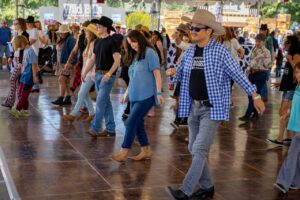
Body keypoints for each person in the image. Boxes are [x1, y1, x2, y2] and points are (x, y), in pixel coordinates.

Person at [165, 9, 265, 200]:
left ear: (209, 31)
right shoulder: (190, 51)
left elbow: (238, 74)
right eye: (191, 27)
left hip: (212, 108)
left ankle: (185, 191)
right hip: (193, 107)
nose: (192, 31)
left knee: (199, 149)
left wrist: (255, 95)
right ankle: (207, 186)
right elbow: (179, 72)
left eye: (196, 28)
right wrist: (172, 72)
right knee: (193, 149)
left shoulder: (220, 52)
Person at [112, 30, 164, 162]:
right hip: (135, 96)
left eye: (134, 42)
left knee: (130, 123)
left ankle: (124, 151)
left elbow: (157, 74)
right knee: (138, 123)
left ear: (140, 39)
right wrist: (126, 93)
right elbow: (133, 78)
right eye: (130, 43)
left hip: (147, 96)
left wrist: (158, 93)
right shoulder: (136, 56)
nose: (132, 45)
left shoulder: (150, 53)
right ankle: (146, 150)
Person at [81, 16, 121, 137]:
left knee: (99, 103)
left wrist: (109, 74)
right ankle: (110, 129)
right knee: (106, 102)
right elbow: (93, 59)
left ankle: (95, 128)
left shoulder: (112, 42)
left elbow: (117, 61)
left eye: (99, 26)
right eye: (97, 26)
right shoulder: (98, 41)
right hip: (98, 75)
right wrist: (85, 72)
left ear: (106, 28)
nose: (97, 28)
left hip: (107, 77)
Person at [64, 24, 100, 123]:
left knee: (82, 93)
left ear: (92, 33)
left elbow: (92, 60)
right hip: (86, 72)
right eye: (85, 31)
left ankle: (73, 114)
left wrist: (85, 71)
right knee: (83, 93)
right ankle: (91, 113)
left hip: (92, 72)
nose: (85, 33)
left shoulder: (95, 43)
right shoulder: (87, 42)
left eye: (87, 32)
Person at [268, 35, 300, 146]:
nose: (284, 44)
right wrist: (280, 83)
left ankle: (281, 138)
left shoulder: (295, 55)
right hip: (287, 86)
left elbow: (297, 70)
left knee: (283, 112)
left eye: (287, 42)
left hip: (292, 88)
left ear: (292, 44)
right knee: (284, 112)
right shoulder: (289, 55)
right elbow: (288, 73)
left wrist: (290, 60)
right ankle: (289, 137)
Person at [274, 62, 300, 194]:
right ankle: (295, 182)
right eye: (297, 72)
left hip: (299, 129)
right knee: (297, 156)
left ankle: (283, 182)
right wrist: (287, 115)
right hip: (295, 126)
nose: (298, 75)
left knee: (292, 154)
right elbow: (296, 107)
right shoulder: (297, 87)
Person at [239, 34, 271, 122]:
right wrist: (248, 69)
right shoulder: (254, 49)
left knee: (253, 94)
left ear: (263, 41)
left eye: (259, 41)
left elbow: (268, 64)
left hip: (261, 74)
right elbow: (250, 60)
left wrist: (261, 60)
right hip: (252, 74)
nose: (257, 43)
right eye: (256, 41)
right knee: (251, 94)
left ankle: (247, 115)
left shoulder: (266, 52)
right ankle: (255, 114)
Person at [2, 18, 29, 108]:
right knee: (17, 83)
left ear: (21, 24)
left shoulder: (25, 34)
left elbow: (23, 49)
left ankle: (11, 101)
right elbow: (16, 48)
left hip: (21, 61)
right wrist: (11, 56)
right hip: (16, 60)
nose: (14, 25)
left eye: (16, 23)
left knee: (13, 79)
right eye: (14, 23)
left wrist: (20, 62)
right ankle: (20, 103)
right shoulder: (17, 34)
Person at [9, 35, 38, 118]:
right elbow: (26, 63)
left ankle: (17, 109)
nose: (18, 48)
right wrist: (20, 65)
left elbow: (34, 65)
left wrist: (34, 76)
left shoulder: (31, 51)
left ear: (21, 43)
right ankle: (25, 110)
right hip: (23, 75)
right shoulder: (25, 50)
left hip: (29, 77)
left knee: (24, 94)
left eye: (18, 46)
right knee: (21, 93)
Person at [51, 24, 76, 106]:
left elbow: (74, 52)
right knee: (66, 81)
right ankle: (68, 98)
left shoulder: (71, 39)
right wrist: (55, 62)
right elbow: (57, 52)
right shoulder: (62, 39)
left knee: (61, 79)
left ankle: (61, 98)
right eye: (60, 32)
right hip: (61, 63)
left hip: (66, 63)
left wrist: (71, 63)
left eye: (63, 32)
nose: (61, 34)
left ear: (67, 32)